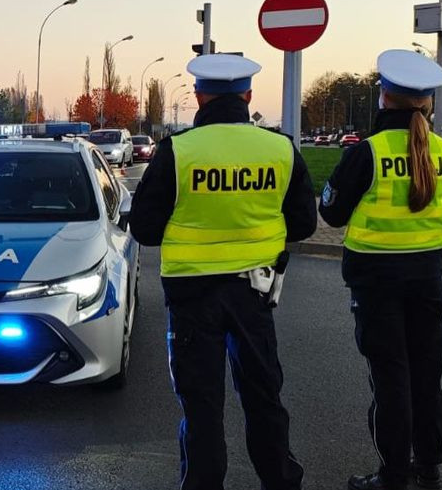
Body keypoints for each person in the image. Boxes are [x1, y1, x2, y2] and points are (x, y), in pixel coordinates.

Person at [128, 53, 316, 490]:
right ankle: (281, 481)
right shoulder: (280, 148)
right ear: (248, 95)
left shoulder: (179, 151)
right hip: (255, 292)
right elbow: (304, 224)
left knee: (202, 406)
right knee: (264, 398)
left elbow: (145, 230)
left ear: (198, 96)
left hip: (192, 299)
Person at [318, 50, 442, 490]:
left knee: (391, 378)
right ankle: (429, 466)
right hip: (427, 280)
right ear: (427, 103)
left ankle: (393, 475)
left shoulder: (367, 153)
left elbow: (333, 213)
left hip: (376, 283)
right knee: (426, 374)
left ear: (384, 98)